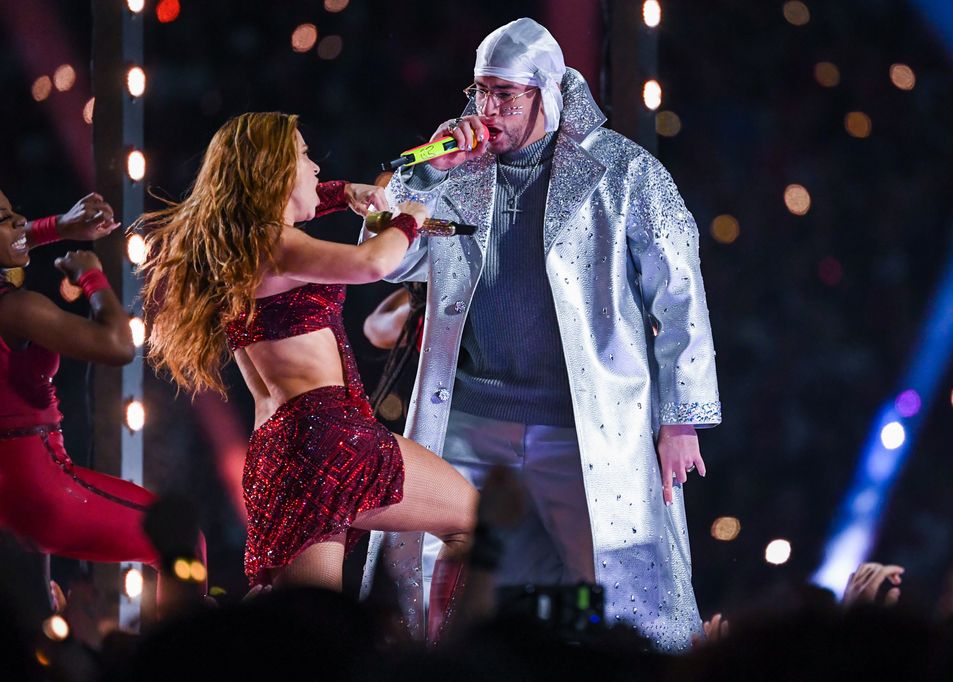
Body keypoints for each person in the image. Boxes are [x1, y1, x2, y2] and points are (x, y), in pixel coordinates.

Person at [370, 18, 722, 650]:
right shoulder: (454, 173)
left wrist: (681, 419)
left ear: (549, 91)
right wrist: (422, 175)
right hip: (470, 421)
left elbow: (680, 292)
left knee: (617, 586)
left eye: (506, 95)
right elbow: (382, 262)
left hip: (581, 426)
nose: (488, 110)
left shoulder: (623, 172)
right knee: (440, 575)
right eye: (481, 92)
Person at [136, 113, 477, 631]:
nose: (316, 166)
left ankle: (206, 647)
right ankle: (448, 660)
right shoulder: (273, 244)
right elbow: (370, 265)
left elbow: (312, 201)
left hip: (281, 451)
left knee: (305, 628)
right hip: (328, 437)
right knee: (475, 521)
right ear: (273, 171)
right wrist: (409, 217)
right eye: (303, 155)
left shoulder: (240, 245)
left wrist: (345, 194)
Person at [0, 190, 167, 576]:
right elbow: (119, 346)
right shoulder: (17, 310)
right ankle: (189, 636)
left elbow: (16, 235)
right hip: (42, 491)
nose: (17, 223)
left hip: (14, 500)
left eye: (14, 213)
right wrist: (90, 275)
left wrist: (59, 226)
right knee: (180, 540)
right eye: (2, 218)